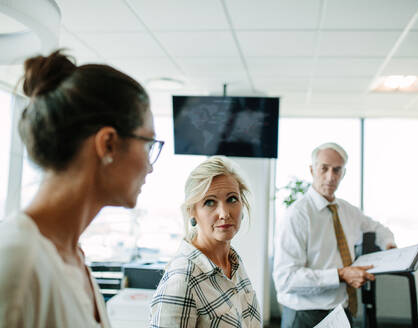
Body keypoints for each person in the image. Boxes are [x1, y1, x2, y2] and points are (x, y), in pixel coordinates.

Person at [0, 50, 164, 327]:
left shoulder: (72, 257)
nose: (150, 166)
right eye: (148, 144)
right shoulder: (17, 264)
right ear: (108, 144)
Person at [273, 142, 396, 328]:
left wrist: (389, 246)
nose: (330, 177)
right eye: (324, 168)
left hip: (341, 311)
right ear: (312, 170)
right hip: (305, 315)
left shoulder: (347, 210)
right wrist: (340, 275)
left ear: (343, 174)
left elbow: (379, 229)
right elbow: (286, 279)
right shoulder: (296, 215)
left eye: (337, 170)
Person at [149, 156, 261, 328]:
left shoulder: (234, 263)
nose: (224, 213)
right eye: (210, 202)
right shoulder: (182, 280)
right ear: (192, 211)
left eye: (232, 199)